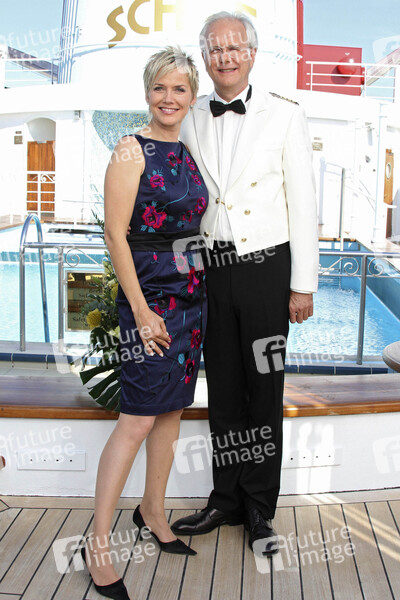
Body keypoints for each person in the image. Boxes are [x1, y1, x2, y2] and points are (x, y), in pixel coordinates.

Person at [171, 12, 319, 556]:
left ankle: (259, 507)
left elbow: (304, 203)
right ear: (205, 57)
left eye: (234, 48)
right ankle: (225, 498)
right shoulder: (190, 114)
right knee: (225, 389)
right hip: (211, 269)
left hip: (266, 270)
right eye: (215, 49)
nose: (225, 57)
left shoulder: (286, 114)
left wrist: (302, 285)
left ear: (252, 54)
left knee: (264, 390)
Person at [81, 47, 207, 600]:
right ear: (147, 92)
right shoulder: (130, 150)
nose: (168, 98)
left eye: (179, 89)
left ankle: (152, 511)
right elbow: (115, 234)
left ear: (192, 96)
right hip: (149, 299)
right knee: (136, 420)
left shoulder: (191, 150)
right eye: (160, 88)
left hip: (192, 298)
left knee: (171, 413)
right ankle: (97, 543)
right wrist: (139, 309)